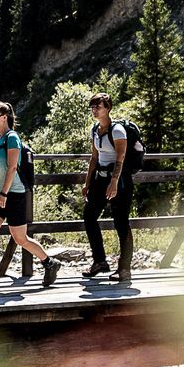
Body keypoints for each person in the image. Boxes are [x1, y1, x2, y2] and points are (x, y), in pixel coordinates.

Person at [0, 100, 59, 292]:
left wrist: (4, 193)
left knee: (20, 238)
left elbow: (12, 167)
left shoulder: (12, 138)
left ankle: (49, 263)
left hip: (14, 194)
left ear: (4, 117)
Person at [81, 93, 141, 279]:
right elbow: (94, 157)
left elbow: (120, 158)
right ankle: (100, 261)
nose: (94, 110)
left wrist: (114, 182)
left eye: (98, 107)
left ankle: (124, 269)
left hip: (120, 180)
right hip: (100, 178)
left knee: (121, 222)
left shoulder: (117, 131)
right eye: (92, 107)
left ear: (107, 108)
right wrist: (87, 182)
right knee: (89, 216)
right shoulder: (94, 129)